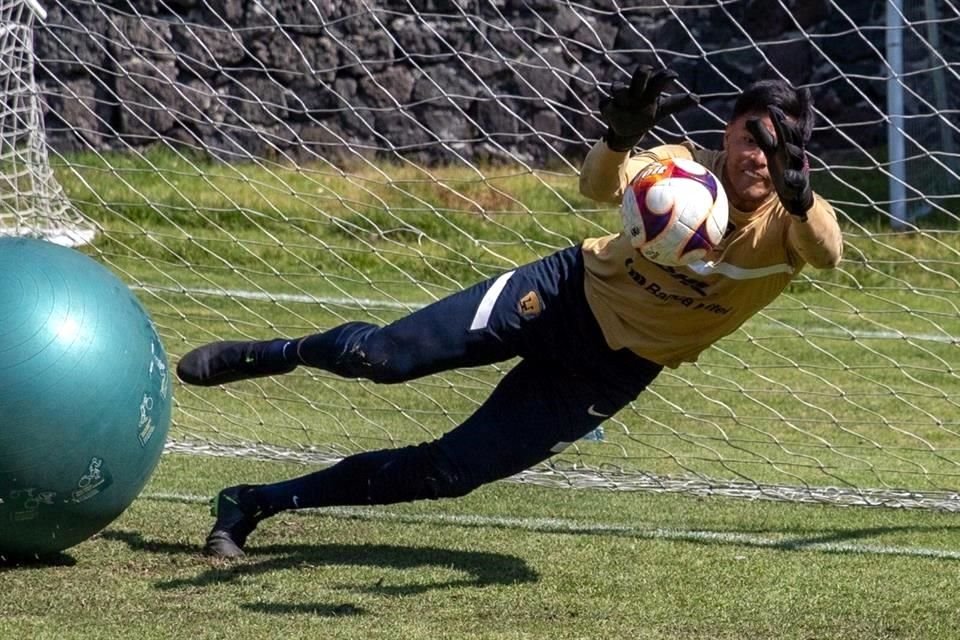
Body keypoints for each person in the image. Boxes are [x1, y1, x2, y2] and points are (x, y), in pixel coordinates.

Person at [177, 65, 843, 558]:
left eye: (777, 144)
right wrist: (619, 136)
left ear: (796, 154)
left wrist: (800, 195)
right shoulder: (680, 171)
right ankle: (275, 353)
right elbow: (596, 186)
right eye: (751, 135)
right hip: (560, 296)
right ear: (729, 130)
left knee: (449, 472)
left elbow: (829, 252)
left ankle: (253, 504)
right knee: (379, 358)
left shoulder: (792, 219)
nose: (758, 155)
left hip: (610, 373)